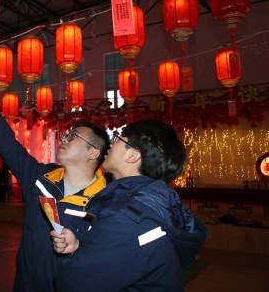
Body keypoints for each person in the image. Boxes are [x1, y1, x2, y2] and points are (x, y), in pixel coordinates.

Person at [0, 76, 110, 292]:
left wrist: (77, 247)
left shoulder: (105, 202)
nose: (64, 139)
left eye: (73, 137)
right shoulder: (41, 178)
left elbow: (108, 258)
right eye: (66, 135)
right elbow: (9, 147)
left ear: (93, 153)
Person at [51, 120, 208, 292]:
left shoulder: (128, 216)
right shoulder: (149, 199)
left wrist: (72, 261)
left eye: (119, 138)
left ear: (133, 156)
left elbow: (75, 283)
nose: (111, 143)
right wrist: (79, 246)